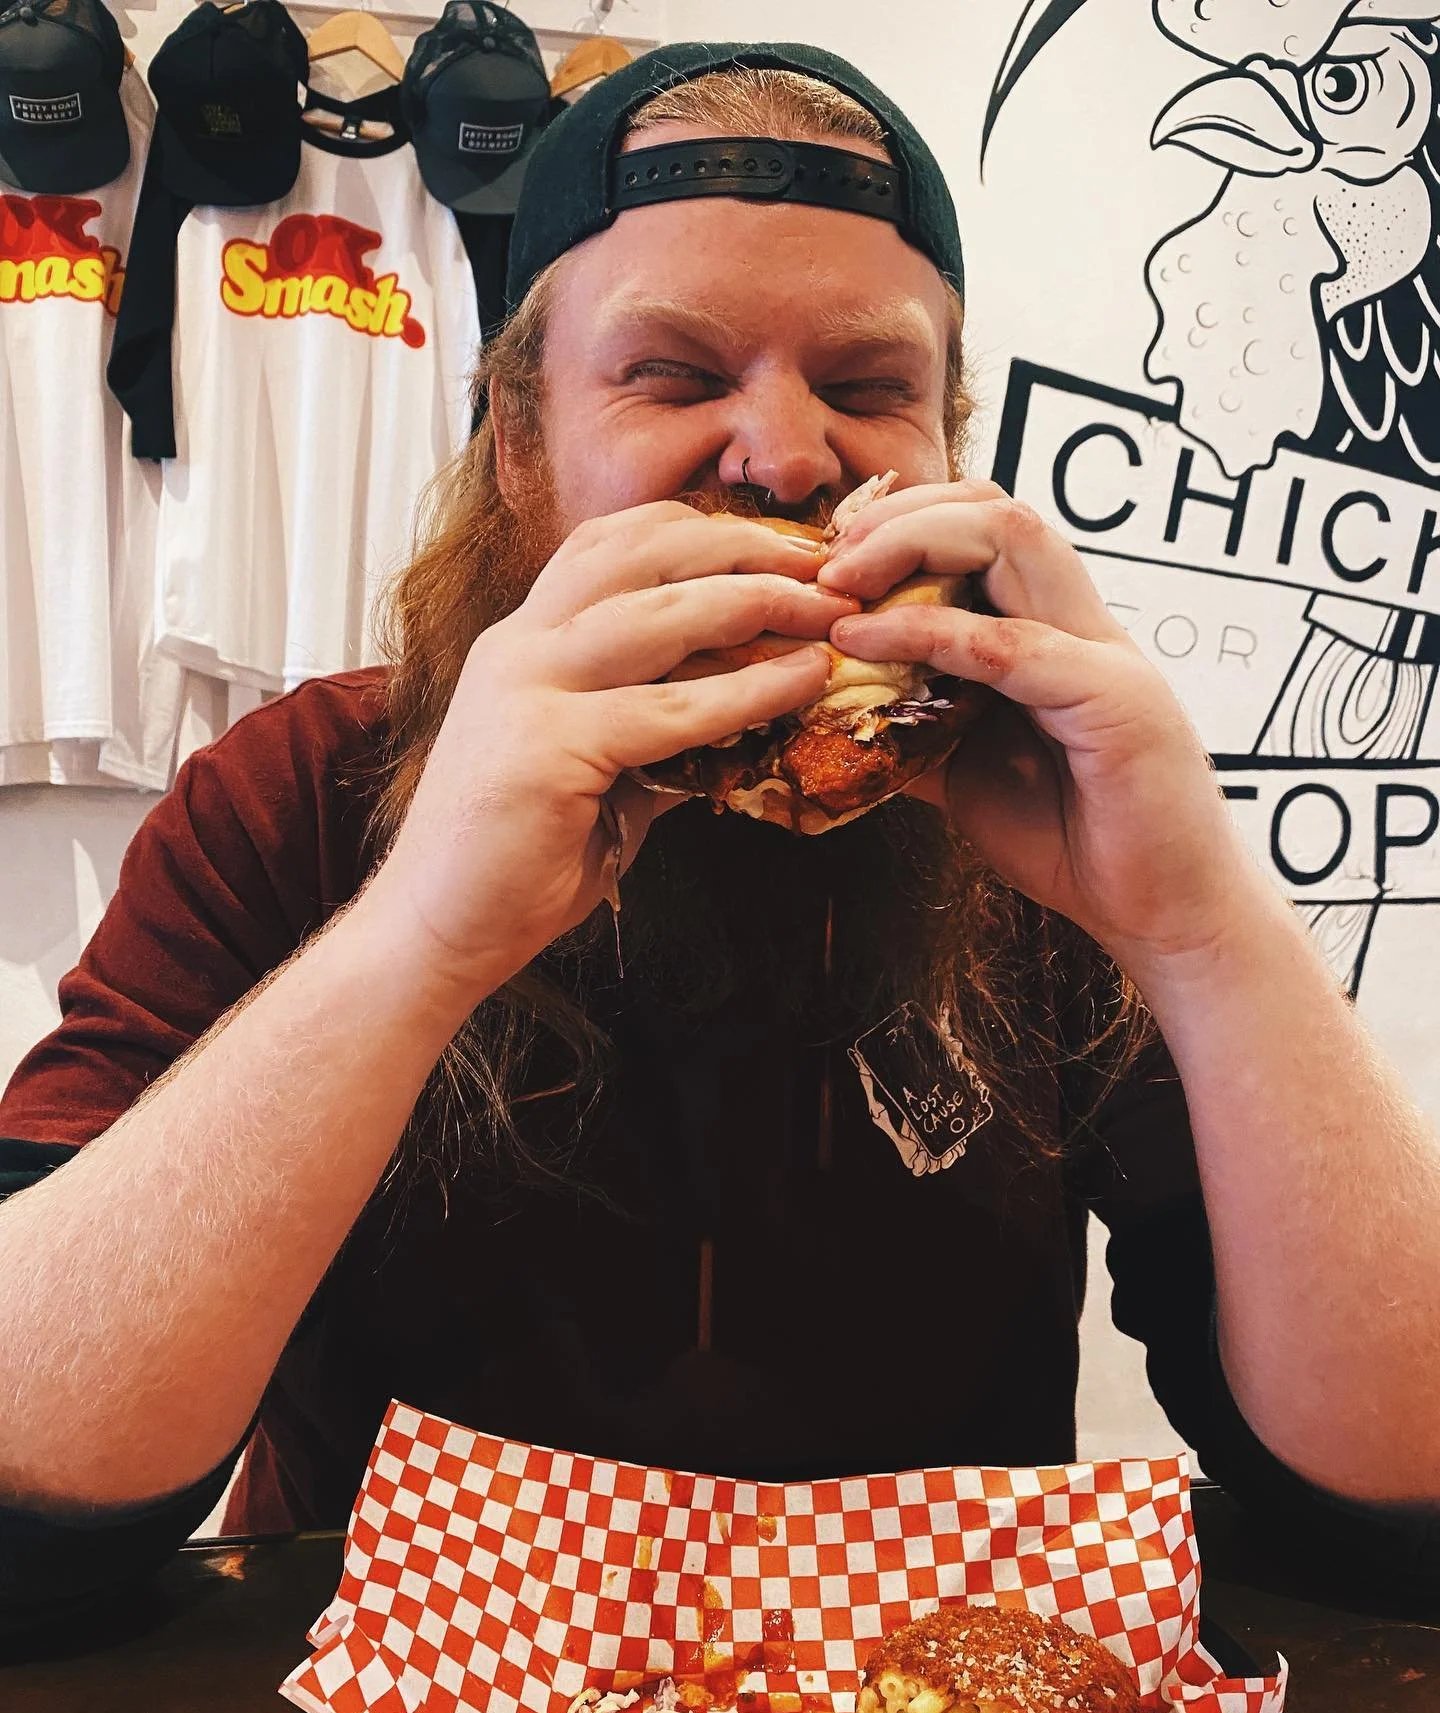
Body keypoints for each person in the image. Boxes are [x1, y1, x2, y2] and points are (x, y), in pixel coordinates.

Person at [3, 43, 1439, 1625]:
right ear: (521, 445)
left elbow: (1397, 1503)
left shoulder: (1047, 819)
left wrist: (1200, 930)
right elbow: (30, 1510)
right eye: (674, 378)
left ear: (950, 446)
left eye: (871, 389)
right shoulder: (299, 789)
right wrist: (419, 936)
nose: (787, 455)